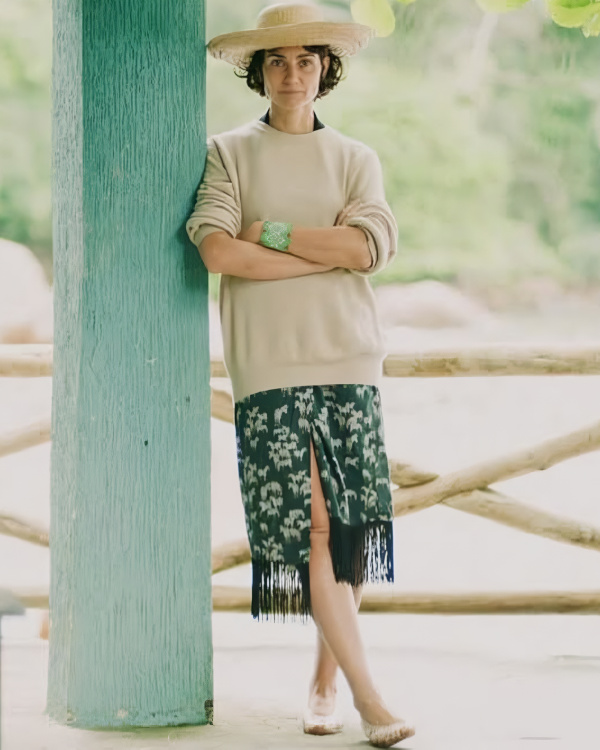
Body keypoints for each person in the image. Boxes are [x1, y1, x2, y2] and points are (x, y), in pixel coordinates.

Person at [186, 2, 415, 746]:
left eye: (307, 60)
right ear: (259, 73)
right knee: (315, 525)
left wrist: (274, 235)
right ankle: (372, 700)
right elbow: (219, 251)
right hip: (269, 364)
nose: (293, 73)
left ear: (326, 70)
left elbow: (369, 249)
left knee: (346, 528)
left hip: (349, 354)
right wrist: (322, 253)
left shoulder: (355, 157)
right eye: (278, 61)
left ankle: (325, 682)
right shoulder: (227, 154)